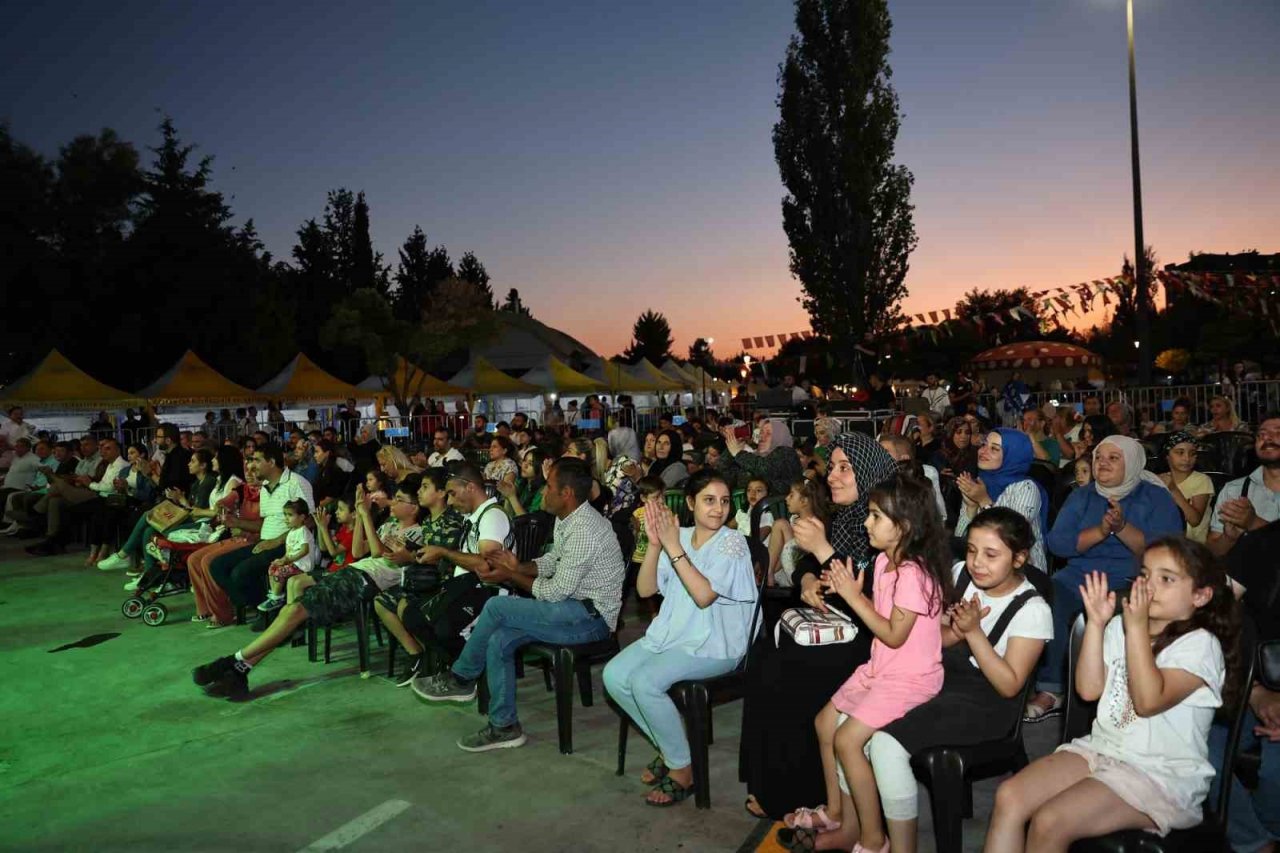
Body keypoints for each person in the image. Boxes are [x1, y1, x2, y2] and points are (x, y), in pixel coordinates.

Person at [986, 539, 1239, 850]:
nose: (1149, 587)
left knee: (1051, 820)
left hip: (1160, 773)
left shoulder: (1199, 645)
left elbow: (1148, 702)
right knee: (1009, 796)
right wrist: (1096, 623)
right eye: (1145, 575)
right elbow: (1088, 690)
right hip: (1105, 749)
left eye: (1167, 579)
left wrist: (1135, 631)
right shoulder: (1121, 625)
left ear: (1201, 596)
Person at [825, 509, 1051, 853]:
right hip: (937, 678)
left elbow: (1009, 685)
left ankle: (900, 847)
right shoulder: (960, 575)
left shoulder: (1033, 609)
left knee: (885, 745)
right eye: (972, 550)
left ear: (1019, 558)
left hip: (987, 703)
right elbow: (935, 638)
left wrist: (972, 633)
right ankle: (858, 829)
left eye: (991, 555)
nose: (977, 563)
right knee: (848, 723)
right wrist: (957, 631)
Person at [786, 474, 951, 852]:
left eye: (876, 516)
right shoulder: (882, 562)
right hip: (882, 668)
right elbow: (882, 617)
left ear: (904, 527)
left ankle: (875, 840)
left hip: (911, 678)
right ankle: (837, 812)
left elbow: (894, 634)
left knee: (847, 740)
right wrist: (859, 595)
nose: (866, 523)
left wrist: (851, 597)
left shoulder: (915, 573)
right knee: (824, 721)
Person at [414, 458, 627, 751]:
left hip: (591, 620)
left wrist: (511, 575)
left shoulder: (585, 530)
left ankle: (462, 678)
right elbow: (553, 560)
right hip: (571, 609)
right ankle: (504, 726)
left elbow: (553, 592)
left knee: (497, 608)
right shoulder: (570, 518)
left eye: (549, 487)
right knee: (500, 638)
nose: (542, 493)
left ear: (566, 493)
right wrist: (520, 565)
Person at [740, 433, 899, 820]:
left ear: (868, 472)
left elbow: (878, 602)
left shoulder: (891, 523)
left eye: (846, 468)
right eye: (832, 467)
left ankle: (800, 791)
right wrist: (808, 581)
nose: (833, 476)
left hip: (872, 641)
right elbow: (812, 567)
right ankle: (769, 782)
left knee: (787, 671)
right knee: (764, 656)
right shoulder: (846, 517)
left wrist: (823, 551)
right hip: (834, 624)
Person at [604, 469, 759, 805]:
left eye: (723, 501)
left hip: (718, 643)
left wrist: (673, 547)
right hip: (676, 634)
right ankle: (673, 748)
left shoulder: (731, 542)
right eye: (708, 500)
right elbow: (645, 588)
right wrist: (655, 545)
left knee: (645, 682)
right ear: (691, 503)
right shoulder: (681, 535)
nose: (718, 509)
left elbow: (704, 596)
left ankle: (682, 769)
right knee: (614, 676)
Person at [1026, 435, 1184, 722]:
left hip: (1131, 579)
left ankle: (1112, 690)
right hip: (1077, 577)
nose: (1103, 464)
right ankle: (1052, 688)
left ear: (1133, 462)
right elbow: (1058, 543)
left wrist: (1122, 528)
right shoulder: (1082, 495)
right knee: (1047, 600)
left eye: (1114, 458)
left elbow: (1167, 553)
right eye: (1099, 457)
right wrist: (1100, 531)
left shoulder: (1155, 497)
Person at [372, 469, 465, 684]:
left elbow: (443, 558)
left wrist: (410, 556)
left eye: (425, 487)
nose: (420, 492)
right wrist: (407, 553)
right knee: (382, 602)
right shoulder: (429, 521)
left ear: (441, 493)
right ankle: (417, 654)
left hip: (444, 584)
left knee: (405, 605)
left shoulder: (451, 521)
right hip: (425, 580)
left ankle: (438, 657)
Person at [208, 445, 315, 618]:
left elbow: (309, 521)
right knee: (217, 565)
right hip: (264, 542)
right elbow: (265, 524)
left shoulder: (296, 483)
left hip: (288, 546)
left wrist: (277, 541)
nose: (252, 465)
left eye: (257, 460)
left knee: (240, 573)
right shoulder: (265, 487)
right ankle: (259, 605)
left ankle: (269, 611)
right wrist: (236, 522)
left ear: (271, 462)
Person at [954, 428, 1050, 572]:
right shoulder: (980, 482)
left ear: (1012, 455)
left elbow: (1010, 539)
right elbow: (960, 541)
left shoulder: (1026, 488)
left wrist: (984, 501)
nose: (983, 451)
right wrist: (971, 507)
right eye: (984, 445)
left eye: (994, 449)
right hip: (981, 565)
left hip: (1021, 571)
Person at [1207, 412, 1280, 557]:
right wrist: (1228, 539)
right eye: (1261, 435)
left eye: (1277, 433)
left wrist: (1254, 523)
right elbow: (1212, 553)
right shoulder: (1234, 490)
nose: (1267, 438)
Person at [766, 477, 831, 588]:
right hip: (786, 567)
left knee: (780, 524)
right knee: (781, 525)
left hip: (803, 575)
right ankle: (767, 574)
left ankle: (767, 574)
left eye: (791, 495)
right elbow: (784, 553)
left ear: (804, 501)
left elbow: (800, 555)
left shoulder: (815, 526)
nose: (786, 498)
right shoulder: (794, 520)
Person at [717, 417, 802, 496]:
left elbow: (765, 469)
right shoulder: (754, 458)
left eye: (768, 433)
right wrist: (731, 449)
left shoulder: (787, 453)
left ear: (779, 436)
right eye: (761, 432)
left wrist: (738, 453)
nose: (762, 437)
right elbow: (725, 476)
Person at [258, 499, 317, 611]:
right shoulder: (290, 533)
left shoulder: (303, 531)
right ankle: (275, 594)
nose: (286, 518)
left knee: (280, 572)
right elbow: (288, 553)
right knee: (273, 567)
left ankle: (276, 598)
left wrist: (288, 560)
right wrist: (281, 560)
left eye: (290, 515)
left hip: (302, 566)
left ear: (302, 517)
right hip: (293, 563)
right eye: (285, 514)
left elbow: (304, 550)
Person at [1159, 431, 1214, 543]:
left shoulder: (1202, 480)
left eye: (1192, 453)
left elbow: (1194, 520)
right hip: (1167, 543)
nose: (1187, 458)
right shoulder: (1159, 480)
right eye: (1180, 452)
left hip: (1193, 546)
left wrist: (1173, 489)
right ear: (1167, 456)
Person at [496, 446, 547, 517]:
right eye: (524, 460)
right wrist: (507, 497)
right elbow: (509, 516)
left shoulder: (542, 490)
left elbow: (528, 522)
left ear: (539, 468)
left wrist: (512, 497)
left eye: (530, 464)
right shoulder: (521, 483)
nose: (525, 465)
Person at [733, 476, 774, 542]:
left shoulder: (767, 516)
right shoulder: (742, 513)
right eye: (749, 490)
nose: (752, 493)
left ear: (768, 494)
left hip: (754, 549)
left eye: (758, 490)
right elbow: (725, 528)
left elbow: (755, 540)